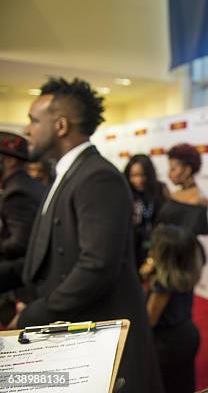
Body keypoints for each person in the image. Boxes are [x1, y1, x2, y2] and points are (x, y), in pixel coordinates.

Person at [14, 77, 163, 393]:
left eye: (33, 120)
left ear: (61, 125)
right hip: (77, 333)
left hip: (100, 342)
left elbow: (96, 266)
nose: (27, 130)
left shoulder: (97, 176)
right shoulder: (71, 172)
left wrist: (35, 312)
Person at [145, 225, 202, 393]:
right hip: (188, 334)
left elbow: (149, 320)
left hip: (166, 345)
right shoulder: (185, 273)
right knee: (184, 381)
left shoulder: (163, 285)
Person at [0, 131, 45, 327]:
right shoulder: (27, 185)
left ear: (9, 161)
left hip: (26, 285)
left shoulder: (17, 191)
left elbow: (20, 242)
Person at [124, 154, 168, 268]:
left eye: (143, 175)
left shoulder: (160, 190)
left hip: (157, 247)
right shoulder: (126, 193)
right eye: (133, 175)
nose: (139, 180)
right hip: (133, 250)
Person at [157, 143, 208, 237]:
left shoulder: (198, 201)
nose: (169, 174)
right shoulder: (173, 194)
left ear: (187, 170)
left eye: (173, 169)